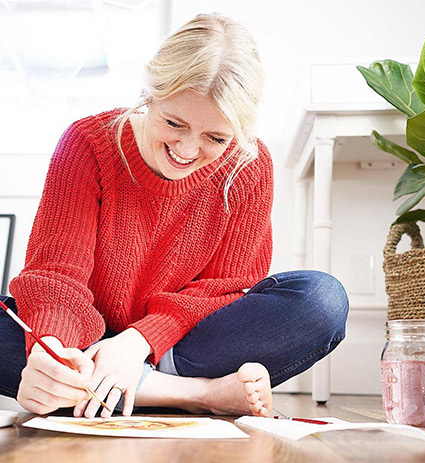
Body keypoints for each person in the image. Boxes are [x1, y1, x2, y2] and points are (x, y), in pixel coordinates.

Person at [0, 13, 348, 419]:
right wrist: (53, 352)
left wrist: (138, 342)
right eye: (173, 123)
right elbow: (58, 274)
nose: (186, 149)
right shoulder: (87, 144)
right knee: (36, 347)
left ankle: (114, 388)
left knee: (321, 300)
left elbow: (227, 287)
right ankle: (198, 394)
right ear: (150, 95)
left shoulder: (249, 167)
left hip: (177, 344)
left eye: (215, 138)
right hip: (85, 339)